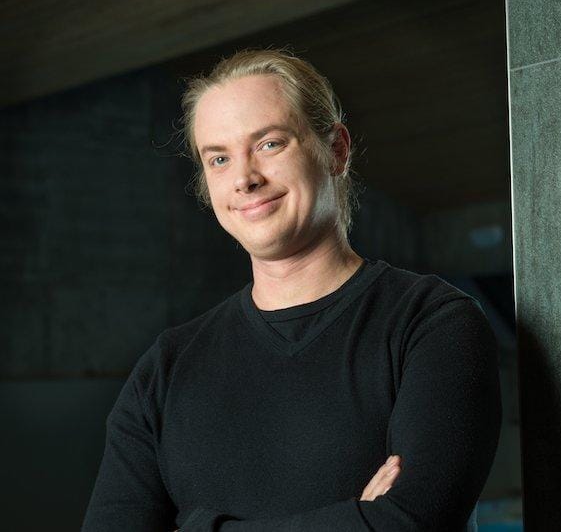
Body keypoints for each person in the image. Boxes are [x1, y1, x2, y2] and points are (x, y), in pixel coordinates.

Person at [81, 48, 502, 532]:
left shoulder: (432, 323)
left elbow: (412, 522)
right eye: (219, 158)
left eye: (270, 144)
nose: (245, 178)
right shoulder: (166, 368)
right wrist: (358, 521)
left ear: (336, 150)